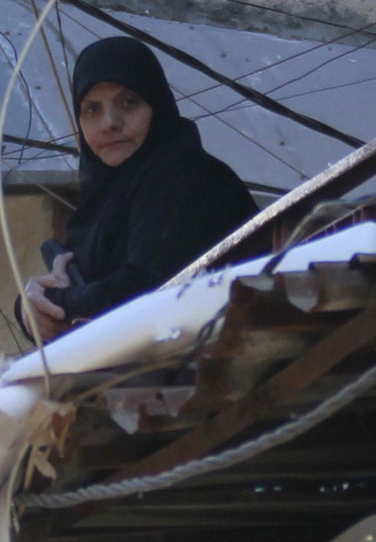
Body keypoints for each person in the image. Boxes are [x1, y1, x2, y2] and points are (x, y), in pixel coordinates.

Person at [22, 36, 256, 338]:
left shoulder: (188, 177)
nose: (109, 123)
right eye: (92, 109)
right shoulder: (102, 199)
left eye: (128, 102)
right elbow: (91, 295)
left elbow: (144, 289)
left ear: (156, 105)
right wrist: (30, 308)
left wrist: (56, 303)